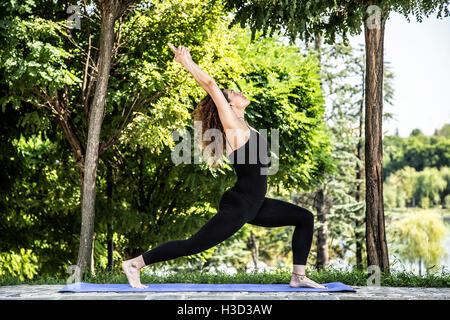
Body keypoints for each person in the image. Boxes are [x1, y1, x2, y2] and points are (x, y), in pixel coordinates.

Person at [122, 43, 326, 290]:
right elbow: (210, 86)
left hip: (256, 205)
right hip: (240, 206)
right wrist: (186, 63)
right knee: (193, 245)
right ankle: (135, 264)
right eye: (232, 93)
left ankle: (298, 277)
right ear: (228, 106)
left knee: (304, 217)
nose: (238, 92)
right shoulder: (233, 127)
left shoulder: (244, 124)